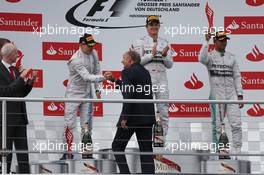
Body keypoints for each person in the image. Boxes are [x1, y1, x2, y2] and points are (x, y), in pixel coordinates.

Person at [61, 33, 111, 159]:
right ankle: (68, 153)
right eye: (89, 46)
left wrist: (98, 89)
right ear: (81, 45)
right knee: (69, 124)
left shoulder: (93, 53)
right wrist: (104, 78)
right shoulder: (75, 60)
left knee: (87, 125)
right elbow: (87, 77)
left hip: (87, 94)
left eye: (93, 45)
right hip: (73, 94)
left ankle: (87, 153)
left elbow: (96, 71)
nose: (92, 48)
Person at [109, 51, 155, 174]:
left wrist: (124, 117)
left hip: (132, 118)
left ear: (131, 60)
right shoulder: (145, 72)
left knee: (117, 147)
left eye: (123, 58)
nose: (121, 61)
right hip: (146, 118)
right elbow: (133, 90)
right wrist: (115, 80)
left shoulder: (127, 72)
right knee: (146, 152)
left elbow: (128, 94)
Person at [199, 31, 243, 158]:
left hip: (231, 95)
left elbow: (237, 76)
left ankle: (237, 152)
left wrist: (240, 94)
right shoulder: (210, 57)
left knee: (236, 124)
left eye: (225, 40)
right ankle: (220, 153)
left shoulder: (232, 57)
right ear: (215, 42)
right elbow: (201, 58)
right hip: (216, 95)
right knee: (217, 125)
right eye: (221, 40)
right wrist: (205, 41)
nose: (224, 42)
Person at [132, 15, 174, 137]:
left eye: (156, 24)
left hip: (162, 80)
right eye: (151, 24)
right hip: (147, 79)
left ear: (159, 26)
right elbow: (137, 62)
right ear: (146, 27)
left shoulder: (165, 42)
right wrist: (152, 55)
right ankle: (146, 142)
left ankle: (160, 142)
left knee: (163, 111)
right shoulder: (140, 41)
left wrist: (165, 56)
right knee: (145, 111)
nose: (154, 26)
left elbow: (170, 65)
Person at [0, 43, 36, 173]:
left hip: (20, 118)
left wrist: (30, 83)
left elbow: (20, 93)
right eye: (16, 52)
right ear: (8, 55)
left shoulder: (14, 70)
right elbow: (6, 91)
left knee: (23, 155)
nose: (18, 54)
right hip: (6, 120)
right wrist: (21, 78)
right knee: (6, 154)